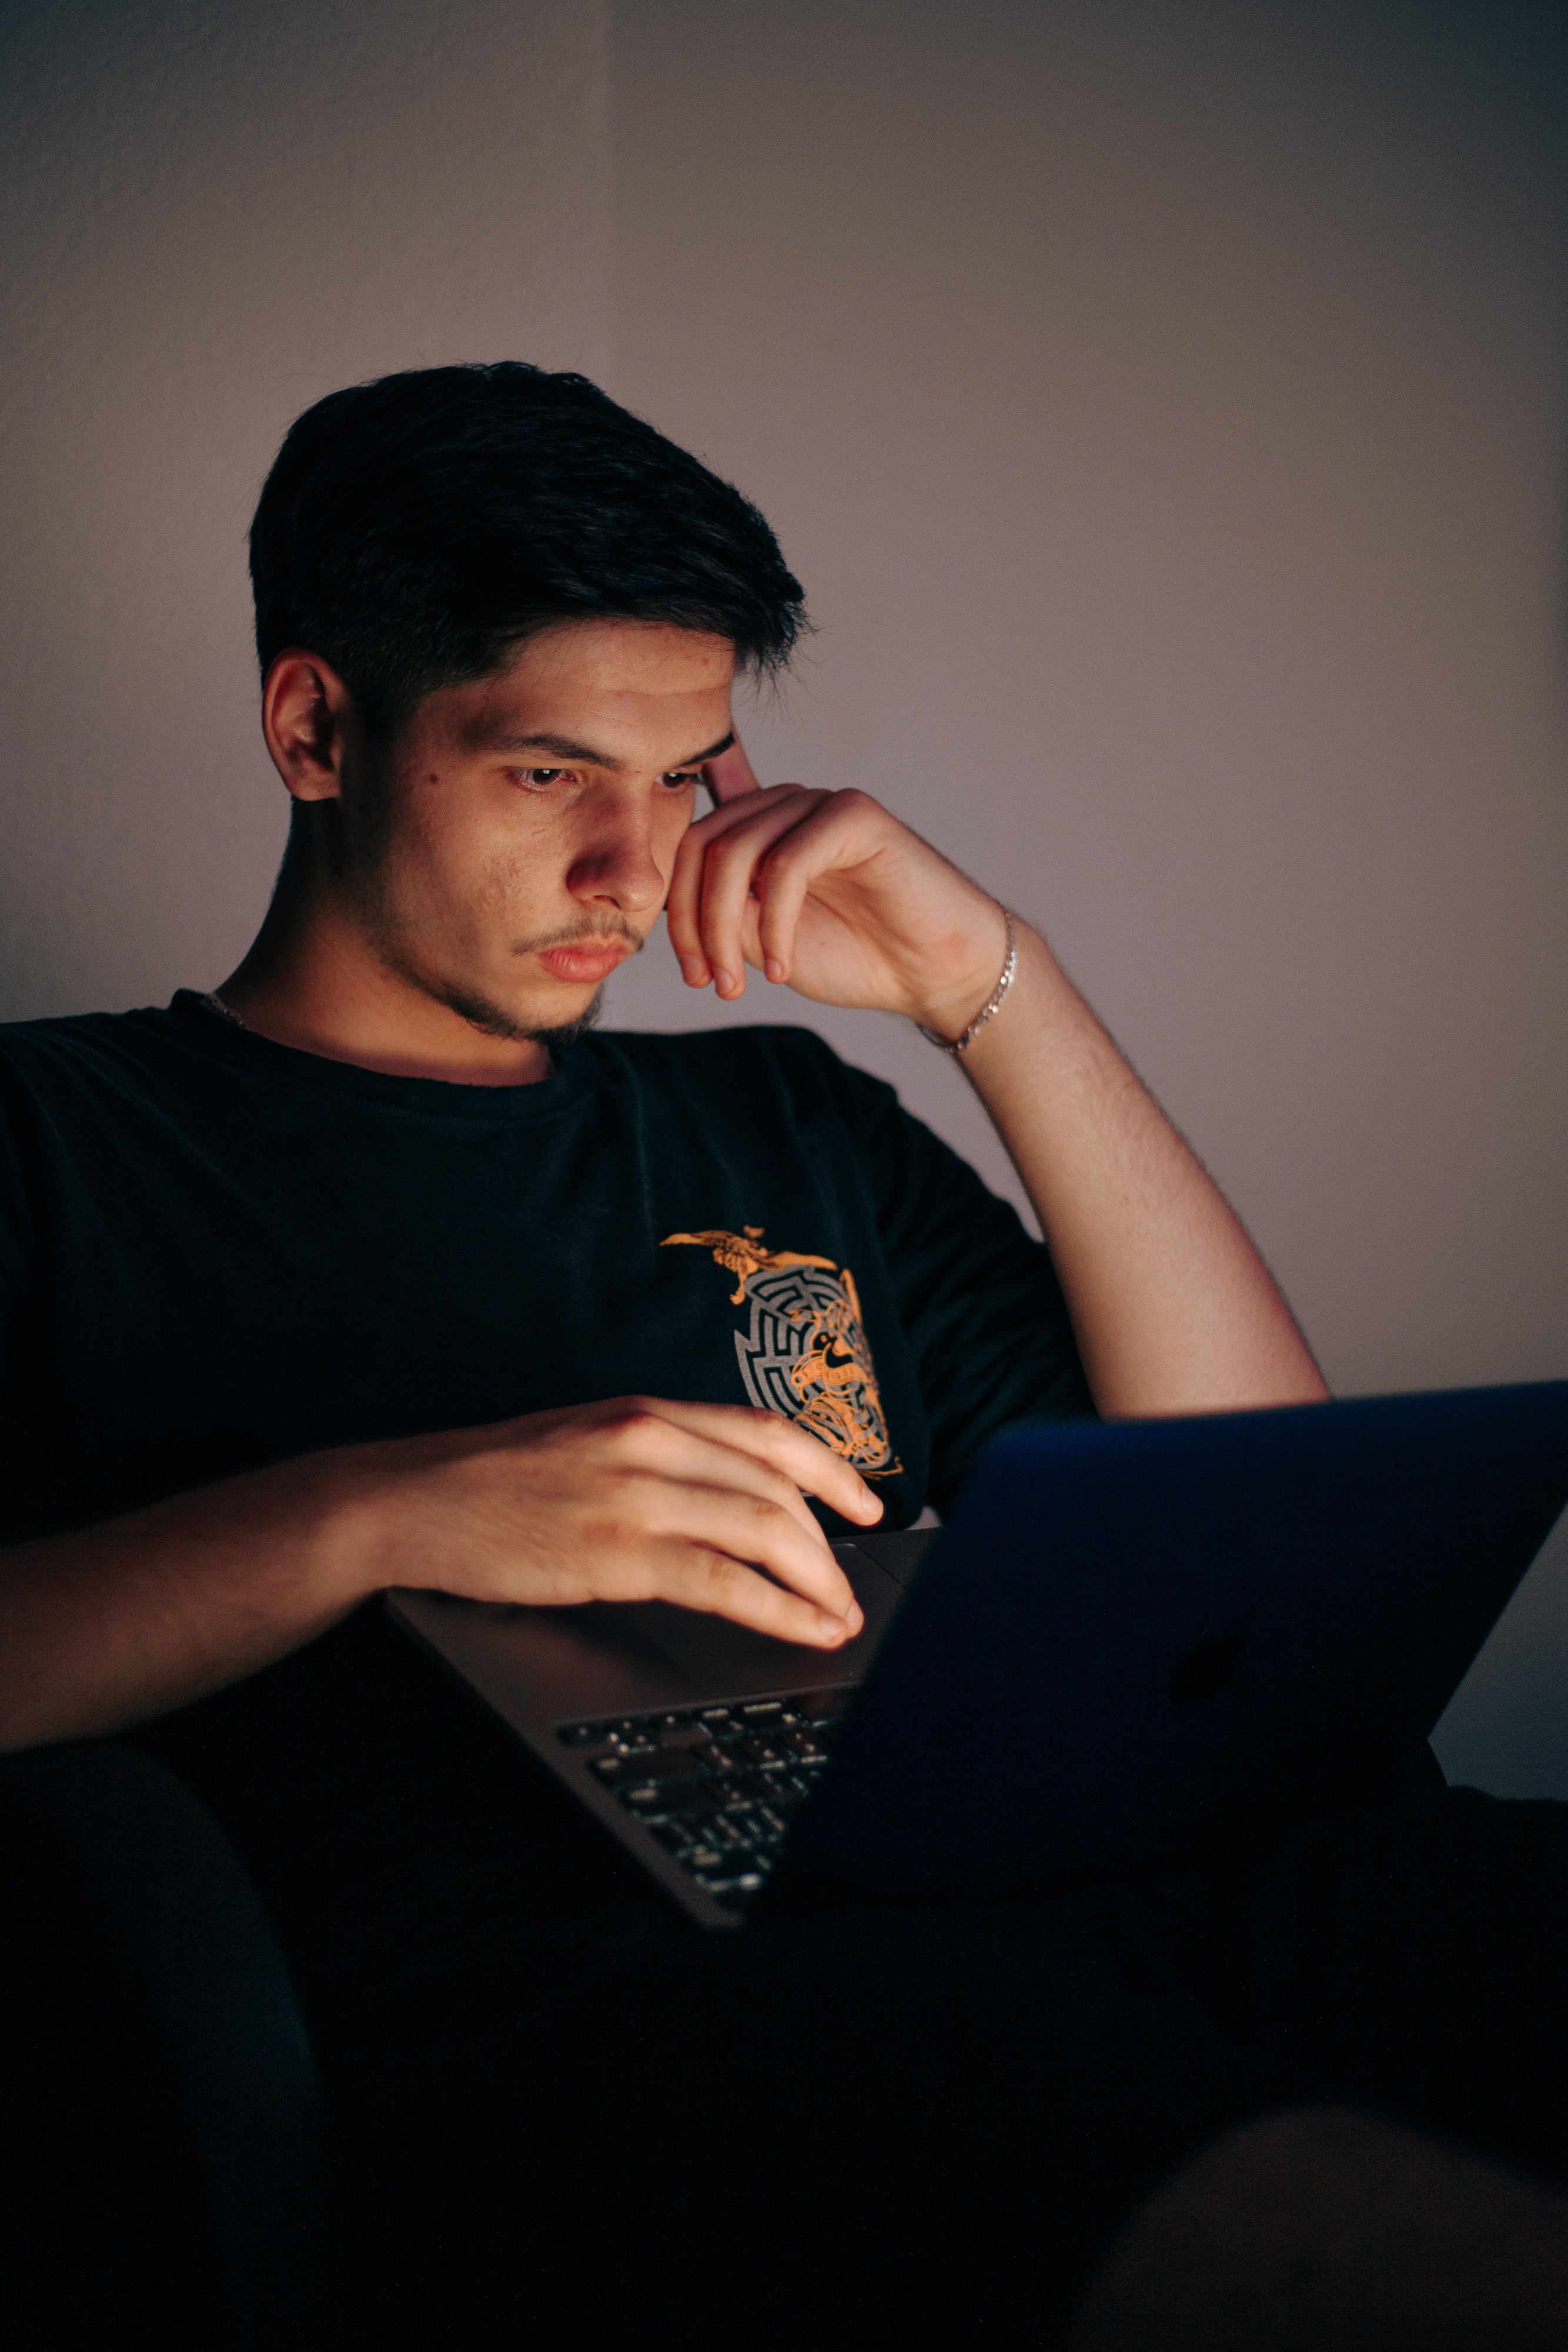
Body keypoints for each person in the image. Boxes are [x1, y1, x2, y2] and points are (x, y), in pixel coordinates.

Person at [1, 363, 1566, 2347]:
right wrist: (382, 1515)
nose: (634, 868)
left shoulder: (784, 1126)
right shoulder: (57, 1142)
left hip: (1077, 1867)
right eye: (549, 771)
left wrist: (990, 992)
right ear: (316, 727)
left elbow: (1259, 1538)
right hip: (589, 2001)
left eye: (687, 775)